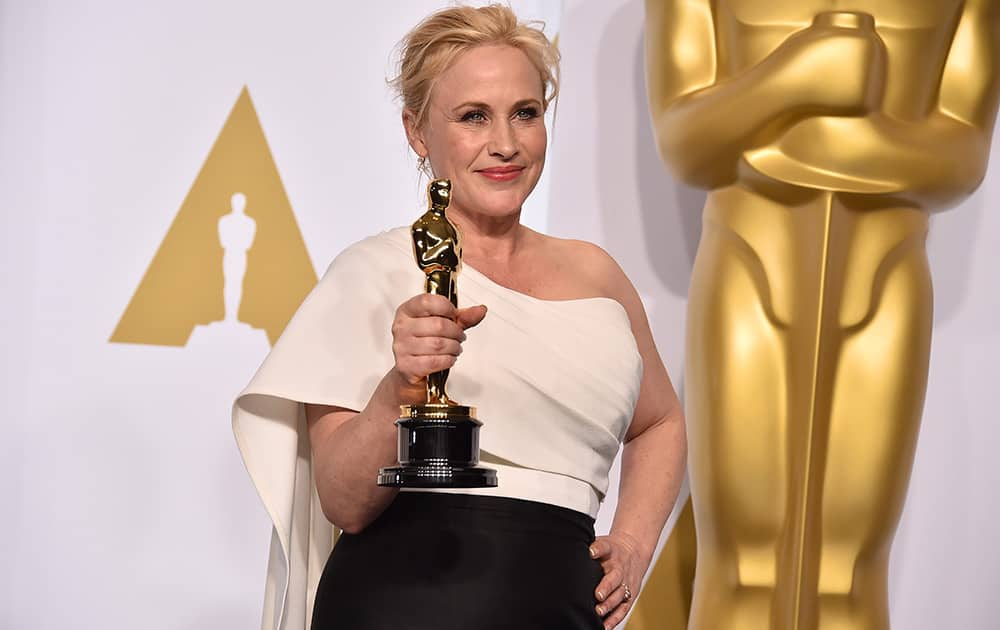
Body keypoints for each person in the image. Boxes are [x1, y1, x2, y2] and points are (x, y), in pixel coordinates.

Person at [233, 5, 686, 629]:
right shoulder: (373, 272)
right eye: (474, 116)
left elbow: (660, 421)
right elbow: (344, 502)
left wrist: (633, 544)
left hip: (562, 608)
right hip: (403, 604)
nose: (506, 143)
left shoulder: (598, 276)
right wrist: (402, 388)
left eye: (525, 113)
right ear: (418, 133)